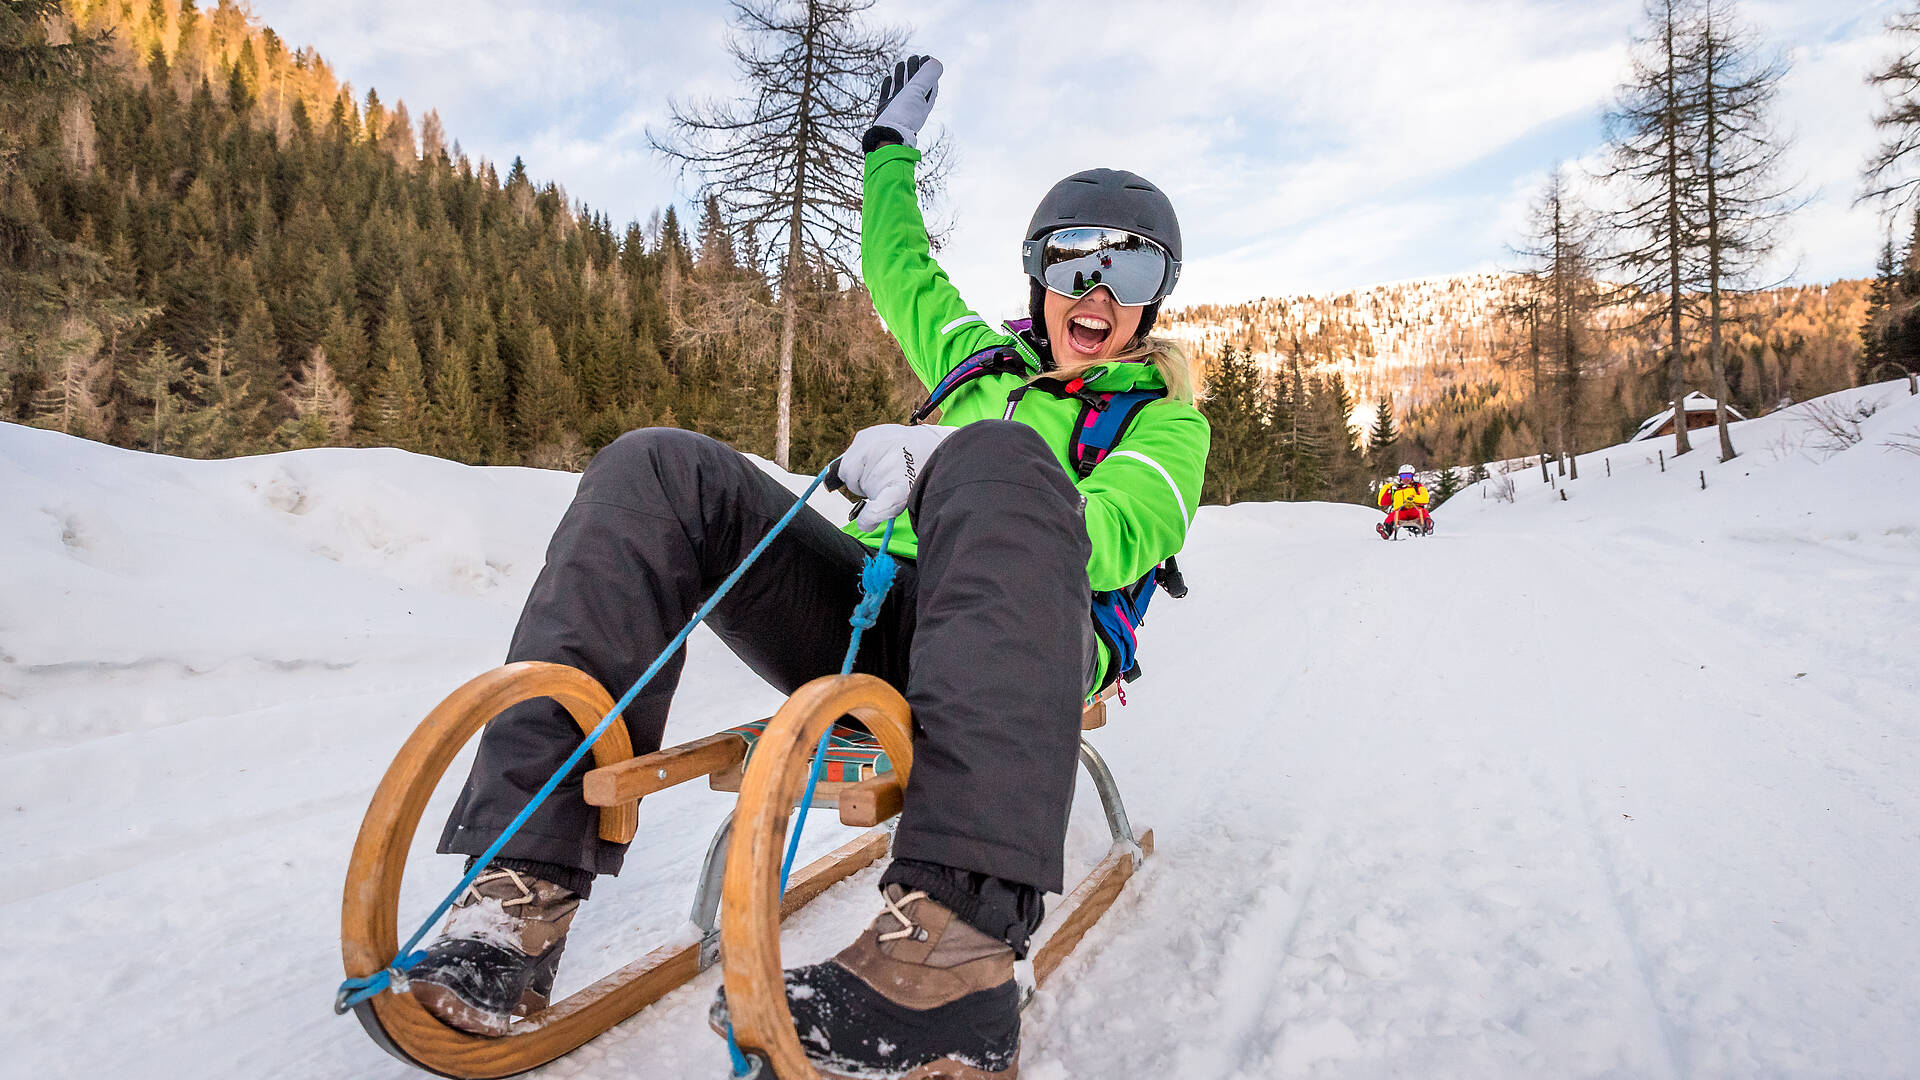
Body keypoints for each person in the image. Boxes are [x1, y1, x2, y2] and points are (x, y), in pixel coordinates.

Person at [406, 53, 1209, 1078]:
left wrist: (952, 464)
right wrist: (884, 152)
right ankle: (518, 889)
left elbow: (1122, 531)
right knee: (660, 468)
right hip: (870, 622)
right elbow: (898, 266)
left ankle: (957, 952)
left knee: (1006, 461)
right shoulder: (975, 362)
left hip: (1019, 648)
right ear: (1038, 276)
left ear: (1154, 302)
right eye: (1071, 260)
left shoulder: (1164, 423)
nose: (1094, 289)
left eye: (1128, 271)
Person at [1375, 464, 1433, 538]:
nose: (1406, 478)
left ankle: (1428, 525)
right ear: (1400, 477)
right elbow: (1382, 502)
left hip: (1414, 510)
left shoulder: (1417, 487)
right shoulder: (1396, 490)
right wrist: (1387, 487)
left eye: (1408, 476)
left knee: (1422, 511)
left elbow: (1425, 498)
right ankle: (1386, 531)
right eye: (1403, 476)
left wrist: (1413, 498)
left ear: (1412, 476)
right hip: (1400, 512)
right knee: (1392, 515)